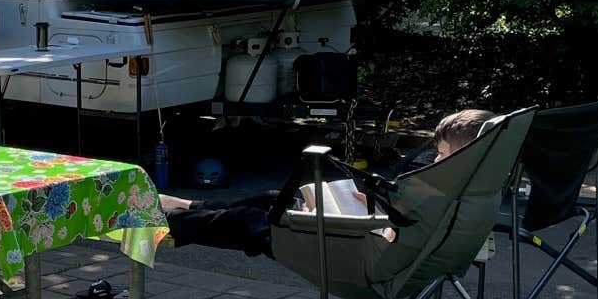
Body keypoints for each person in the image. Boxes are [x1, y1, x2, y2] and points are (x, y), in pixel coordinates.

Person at [160, 108, 493, 255]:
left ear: (464, 155)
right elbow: (404, 220)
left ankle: (165, 219)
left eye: (442, 154)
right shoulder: (475, 186)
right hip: (363, 235)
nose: (435, 161)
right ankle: (187, 207)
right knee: (272, 198)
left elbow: (392, 236)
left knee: (252, 220)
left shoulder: (441, 192)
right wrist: (371, 202)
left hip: (352, 252)